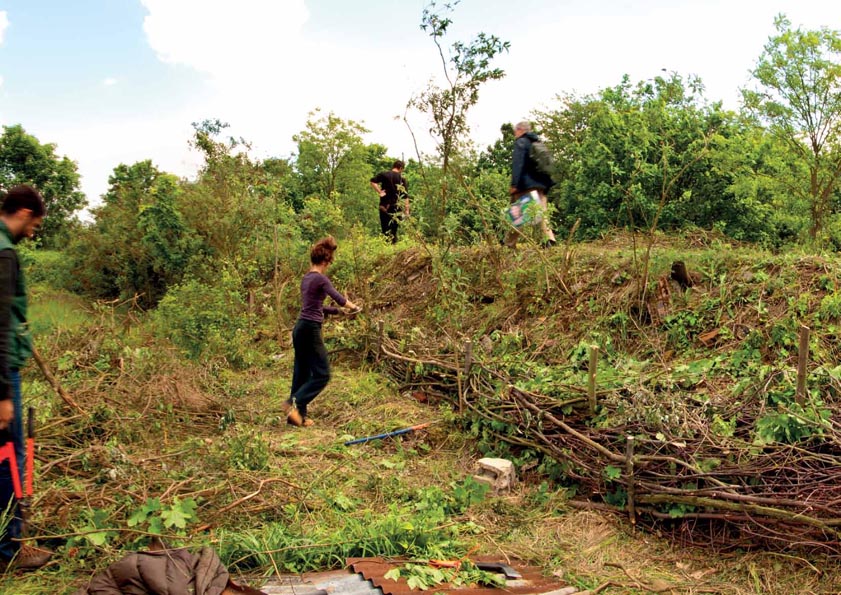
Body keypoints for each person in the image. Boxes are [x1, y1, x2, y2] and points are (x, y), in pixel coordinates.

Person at [0, 185, 52, 570]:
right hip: (3, 376)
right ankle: (10, 549)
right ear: (22, 212)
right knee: (10, 459)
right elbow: (0, 324)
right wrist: (3, 392)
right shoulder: (4, 253)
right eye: (33, 225)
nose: (33, 233)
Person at [282, 237, 357, 427]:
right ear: (326, 261)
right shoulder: (321, 279)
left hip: (300, 328)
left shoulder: (307, 278)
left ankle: (297, 418)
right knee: (323, 373)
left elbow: (316, 307)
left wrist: (338, 312)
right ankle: (293, 404)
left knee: (302, 371)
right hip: (310, 329)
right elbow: (338, 297)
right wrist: (353, 307)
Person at [507, 121, 556, 247]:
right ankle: (549, 240)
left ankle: (508, 243)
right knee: (542, 213)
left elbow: (518, 164)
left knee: (518, 214)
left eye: (515, 131)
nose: (514, 134)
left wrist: (514, 184)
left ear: (520, 130)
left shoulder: (521, 142)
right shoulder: (538, 142)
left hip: (525, 185)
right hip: (541, 185)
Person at [370, 160, 409, 244]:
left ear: (393, 166)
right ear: (401, 168)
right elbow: (405, 196)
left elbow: (372, 181)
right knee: (394, 231)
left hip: (384, 206)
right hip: (397, 208)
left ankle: (385, 248)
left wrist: (380, 191)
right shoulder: (402, 179)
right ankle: (393, 249)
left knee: (385, 230)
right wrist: (406, 210)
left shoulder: (384, 174)